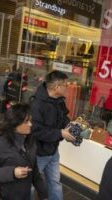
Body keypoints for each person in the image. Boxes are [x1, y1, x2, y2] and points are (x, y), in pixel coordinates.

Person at [0, 103, 48, 200]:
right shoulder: (0, 144)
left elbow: (35, 172)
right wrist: (12, 172)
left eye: (30, 120)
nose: (30, 124)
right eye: (26, 121)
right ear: (14, 124)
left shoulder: (30, 141)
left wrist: (43, 194)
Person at [30, 70, 76, 200]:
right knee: (31, 185)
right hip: (38, 153)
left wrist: (70, 126)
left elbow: (63, 117)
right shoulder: (37, 104)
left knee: (55, 183)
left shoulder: (59, 100)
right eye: (65, 85)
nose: (67, 88)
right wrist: (60, 133)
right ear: (56, 87)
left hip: (53, 150)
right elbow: (36, 130)